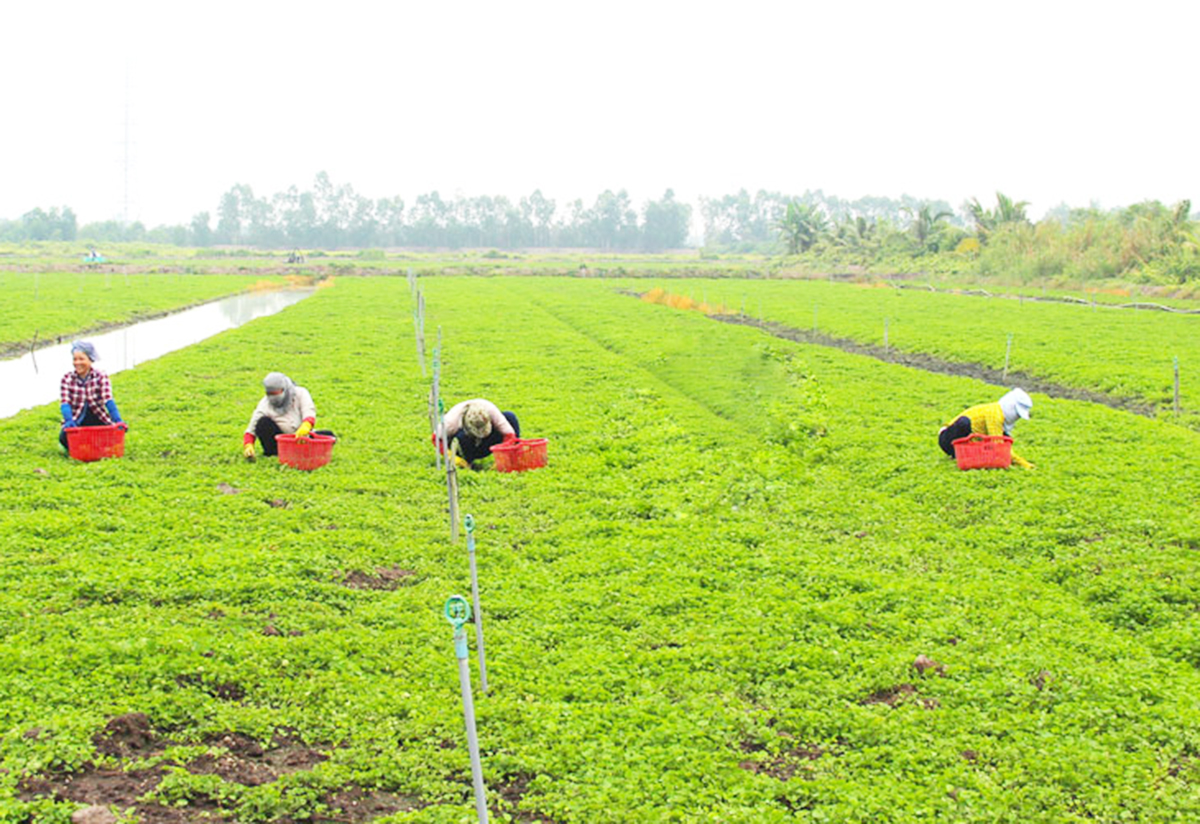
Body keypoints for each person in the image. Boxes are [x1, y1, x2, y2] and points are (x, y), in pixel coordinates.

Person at [242, 372, 333, 460]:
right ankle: (276, 453)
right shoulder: (264, 404)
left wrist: (306, 425)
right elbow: (251, 430)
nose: (273, 397)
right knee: (263, 423)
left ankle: (300, 450)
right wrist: (248, 445)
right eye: (270, 394)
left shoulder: (300, 393)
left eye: (276, 393)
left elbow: (309, 411)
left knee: (329, 435)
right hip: (280, 441)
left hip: (302, 437)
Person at [939, 388, 1034, 468]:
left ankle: (965, 454)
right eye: (1017, 413)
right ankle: (956, 454)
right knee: (964, 423)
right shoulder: (994, 414)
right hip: (946, 439)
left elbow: (1003, 444)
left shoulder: (1000, 417)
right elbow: (998, 445)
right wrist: (1023, 464)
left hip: (969, 441)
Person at [59, 341, 126, 451]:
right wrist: (69, 420)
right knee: (64, 438)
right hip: (77, 420)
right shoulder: (67, 378)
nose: (77, 363)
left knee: (111, 439)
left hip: (98, 418)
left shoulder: (100, 376)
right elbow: (65, 403)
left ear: (90, 360)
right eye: (75, 359)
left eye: (81, 359)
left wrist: (118, 420)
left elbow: (107, 399)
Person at [438, 398, 519, 468]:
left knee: (510, 417)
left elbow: (510, 434)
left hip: (488, 443)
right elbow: (436, 439)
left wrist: (503, 456)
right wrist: (450, 456)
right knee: (461, 436)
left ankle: (513, 458)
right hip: (466, 443)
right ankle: (467, 461)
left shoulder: (491, 410)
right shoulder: (451, 420)